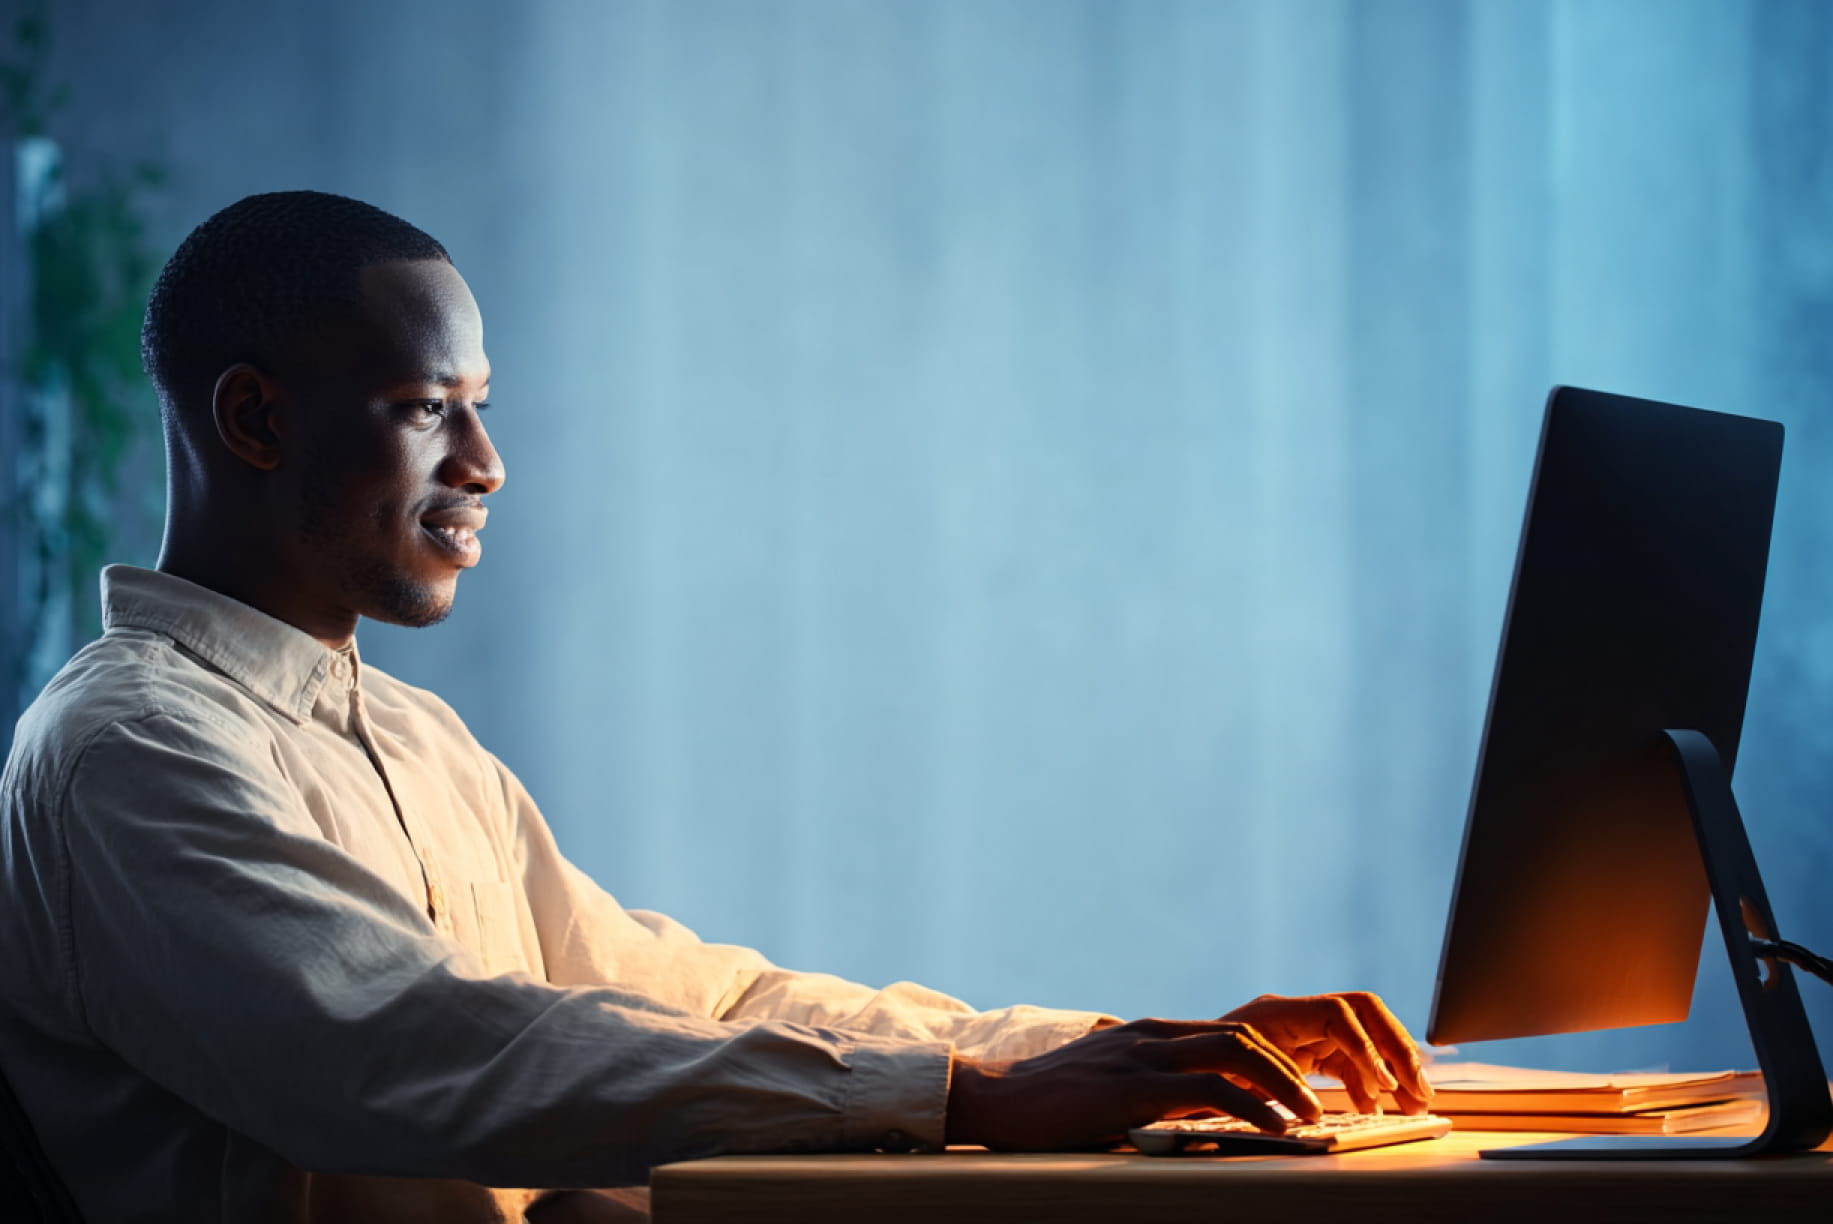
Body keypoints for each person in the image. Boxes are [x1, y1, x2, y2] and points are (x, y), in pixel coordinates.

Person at [0, 191, 1432, 1223]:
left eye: (483, 406)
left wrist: (1102, 1054)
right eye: (431, 407)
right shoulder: (132, 748)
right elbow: (405, 1049)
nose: (489, 462)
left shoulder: (416, 743)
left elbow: (689, 998)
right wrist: (956, 1104)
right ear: (254, 422)